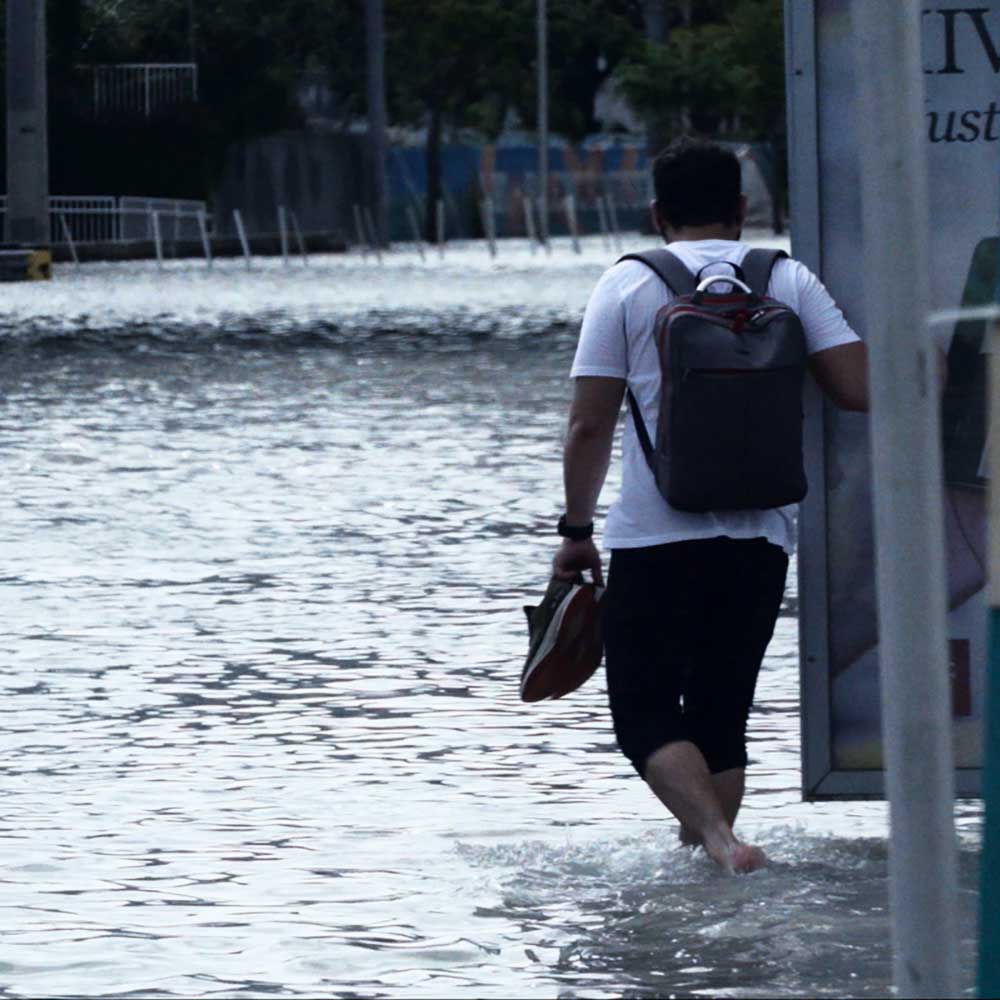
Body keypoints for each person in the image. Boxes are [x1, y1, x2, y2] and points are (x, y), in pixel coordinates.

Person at [553, 137, 868, 874]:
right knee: (721, 714)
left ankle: (720, 843)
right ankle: (714, 856)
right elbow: (859, 390)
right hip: (758, 538)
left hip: (656, 537)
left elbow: (588, 423)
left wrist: (575, 531)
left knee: (643, 710)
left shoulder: (627, 285)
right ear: (741, 208)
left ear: (657, 213)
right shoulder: (786, 280)